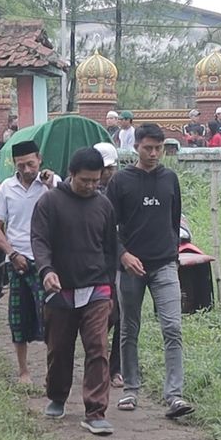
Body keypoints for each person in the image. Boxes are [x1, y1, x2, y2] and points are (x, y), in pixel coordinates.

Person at [106, 123, 194, 419]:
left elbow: (174, 221)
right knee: (129, 328)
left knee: (173, 327)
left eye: (158, 148)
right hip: (130, 267)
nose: (154, 153)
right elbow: (108, 229)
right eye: (148, 148)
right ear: (136, 147)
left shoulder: (170, 178)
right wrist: (123, 255)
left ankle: (175, 395)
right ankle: (131, 389)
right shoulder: (120, 182)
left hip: (165, 264)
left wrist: (172, 254)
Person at [31, 147, 117, 435]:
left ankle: (95, 411)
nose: (91, 186)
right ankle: (57, 395)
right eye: (85, 181)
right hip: (60, 289)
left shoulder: (103, 205)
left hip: (97, 288)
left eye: (96, 181)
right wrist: (47, 271)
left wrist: (110, 289)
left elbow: (109, 248)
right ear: (71, 175)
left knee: (97, 348)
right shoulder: (50, 203)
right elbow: (39, 241)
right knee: (59, 349)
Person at [0, 140, 60, 384]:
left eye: (31, 163)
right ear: (14, 165)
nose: (28, 169)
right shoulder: (7, 188)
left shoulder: (52, 183)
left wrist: (51, 186)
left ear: (39, 159)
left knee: (50, 317)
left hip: (47, 261)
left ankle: (54, 371)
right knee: (17, 317)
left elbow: (64, 212)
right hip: (17, 260)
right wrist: (11, 253)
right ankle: (23, 371)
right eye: (21, 165)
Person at [93, 142, 123, 388]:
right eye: (105, 168)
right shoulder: (89, 191)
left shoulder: (122, 186)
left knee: (121, 313)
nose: (108, 172)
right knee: (102, 314)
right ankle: (98, 361)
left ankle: (116, 368)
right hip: (94, 261)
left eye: (112, 167)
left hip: (119, 258)